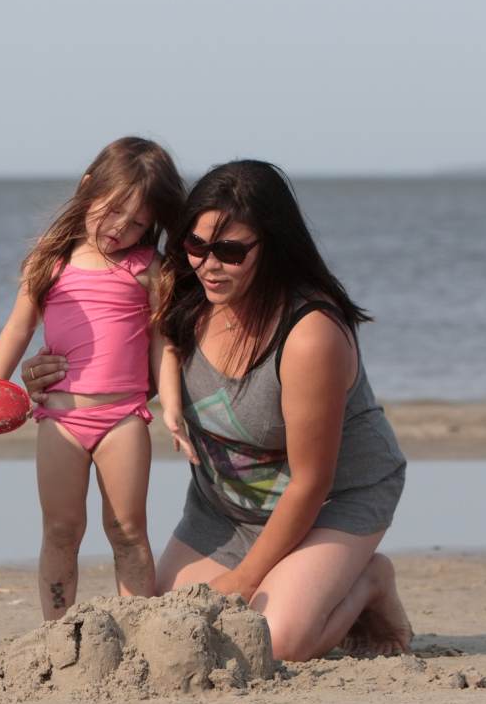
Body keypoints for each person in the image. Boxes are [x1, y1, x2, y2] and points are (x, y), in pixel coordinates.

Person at [22, 159, 412, 660]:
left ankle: (369, 581)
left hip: (331, 502)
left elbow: (311, 482)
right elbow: (125, 386)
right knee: (167, 624)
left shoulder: (310, 334)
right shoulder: (184, 298)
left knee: (270, 640)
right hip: (226, 508)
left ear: (272, 246)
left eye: (229, 251)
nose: (209, 264)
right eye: (196, 245)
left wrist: (244, 581)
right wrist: (54, 378)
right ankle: (301, 583)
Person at [0, 137, 186, 619]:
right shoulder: (50, 260)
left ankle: (140, 627)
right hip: (60, 420)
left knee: (128, 531)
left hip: (123, 418)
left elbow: (161, 343)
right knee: (61, 531)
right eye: (113, 210)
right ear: (89, 188)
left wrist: (172, 407)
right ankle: (58, 630)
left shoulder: (147, 267)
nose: (120, 228)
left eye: (138, 223)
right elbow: (18, 327)